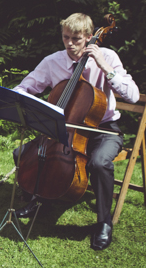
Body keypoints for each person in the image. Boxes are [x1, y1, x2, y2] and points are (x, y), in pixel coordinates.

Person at [12, 13, 139, 251]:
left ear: (90, 37)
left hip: (104, 130)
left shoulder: (108, 56)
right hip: (65, 128)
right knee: (22, 152)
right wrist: (20, 99)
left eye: (77, 39)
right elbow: (26, 87)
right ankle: (36, 199)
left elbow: (131, 95)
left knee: (99, 163)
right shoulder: (53, 61)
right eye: (66, 38)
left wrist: (104, 67)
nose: (70, 44)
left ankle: (103, 223)